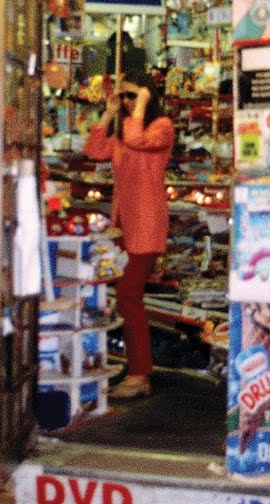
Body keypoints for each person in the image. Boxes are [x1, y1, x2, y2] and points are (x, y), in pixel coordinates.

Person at [83, 70, 175, 399]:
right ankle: (137, 370)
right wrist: (108, 113)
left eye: (132, 95)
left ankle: (139, 374)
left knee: (128, 296)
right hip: (123, 223)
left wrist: (142, 102)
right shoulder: (125, 129)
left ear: (148, 96)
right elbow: (94, 150)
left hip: (146, 223)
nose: (126, 101)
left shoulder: (161, 126)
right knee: (126, 298)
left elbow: (138, 140)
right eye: (123, 96)